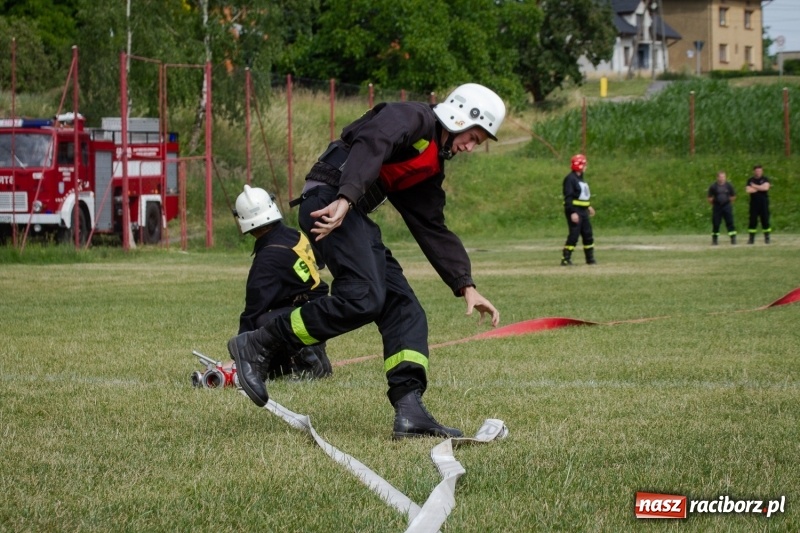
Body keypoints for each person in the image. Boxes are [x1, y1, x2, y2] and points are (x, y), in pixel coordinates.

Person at [227, 83, 506, 439]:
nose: (470, 147)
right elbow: (374, 140)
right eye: (474, 137)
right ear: (460, 116)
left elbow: (431, 225)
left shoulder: (430, 164)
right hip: (328, 204)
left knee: (404, 309)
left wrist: (465, 285)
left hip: (349, 209)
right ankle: (258, 343)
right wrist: (346, 197)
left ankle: (410, 411)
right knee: (364, 295)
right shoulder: (413, 117)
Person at [227, 184, 333, 380]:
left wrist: (241, 355)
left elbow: (252, 313)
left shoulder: (267, 260)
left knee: (263, 324)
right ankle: (315, 356)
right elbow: (318, 262)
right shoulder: (294, 234)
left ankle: (308, 364)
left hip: (308, 316)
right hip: (319, 311)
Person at [560, 154, 596, 266]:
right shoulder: (570, 179)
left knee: (587, 234)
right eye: (584, 164)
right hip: (575, 211)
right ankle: (566, 258)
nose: (586, 167)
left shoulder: (580, 179)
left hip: (583, 211)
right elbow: (569, 197)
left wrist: (588, 206)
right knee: (574, 235)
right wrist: (572, 212)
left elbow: (581, 196)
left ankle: (590, 258)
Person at [707, 171, 737, 245]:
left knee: (730, 222)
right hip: (717, 207)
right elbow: (709, 198)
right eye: (720, 177)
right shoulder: (713, 186)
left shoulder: (729, 186)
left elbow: (733, 196)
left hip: (727, 206)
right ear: (717, 177)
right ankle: (715, 240)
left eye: (723, 177)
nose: (722, 179)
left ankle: (733, 238)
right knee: (716, 223)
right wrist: (715, 204)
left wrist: (728, 203)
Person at [745, 164, 772, 244]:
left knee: (765, 220)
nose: (758, 172)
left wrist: (754, 186)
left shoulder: (765, 179)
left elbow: (766, 188)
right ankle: (751, 239)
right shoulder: (750, 180)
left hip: (763, 203)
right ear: (754, 171)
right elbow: (749, 190)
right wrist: (760, 187)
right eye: (756, 171)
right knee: (752, 221)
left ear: (762, 171)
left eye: (760, 171)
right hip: (754, 204)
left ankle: (767, 238)